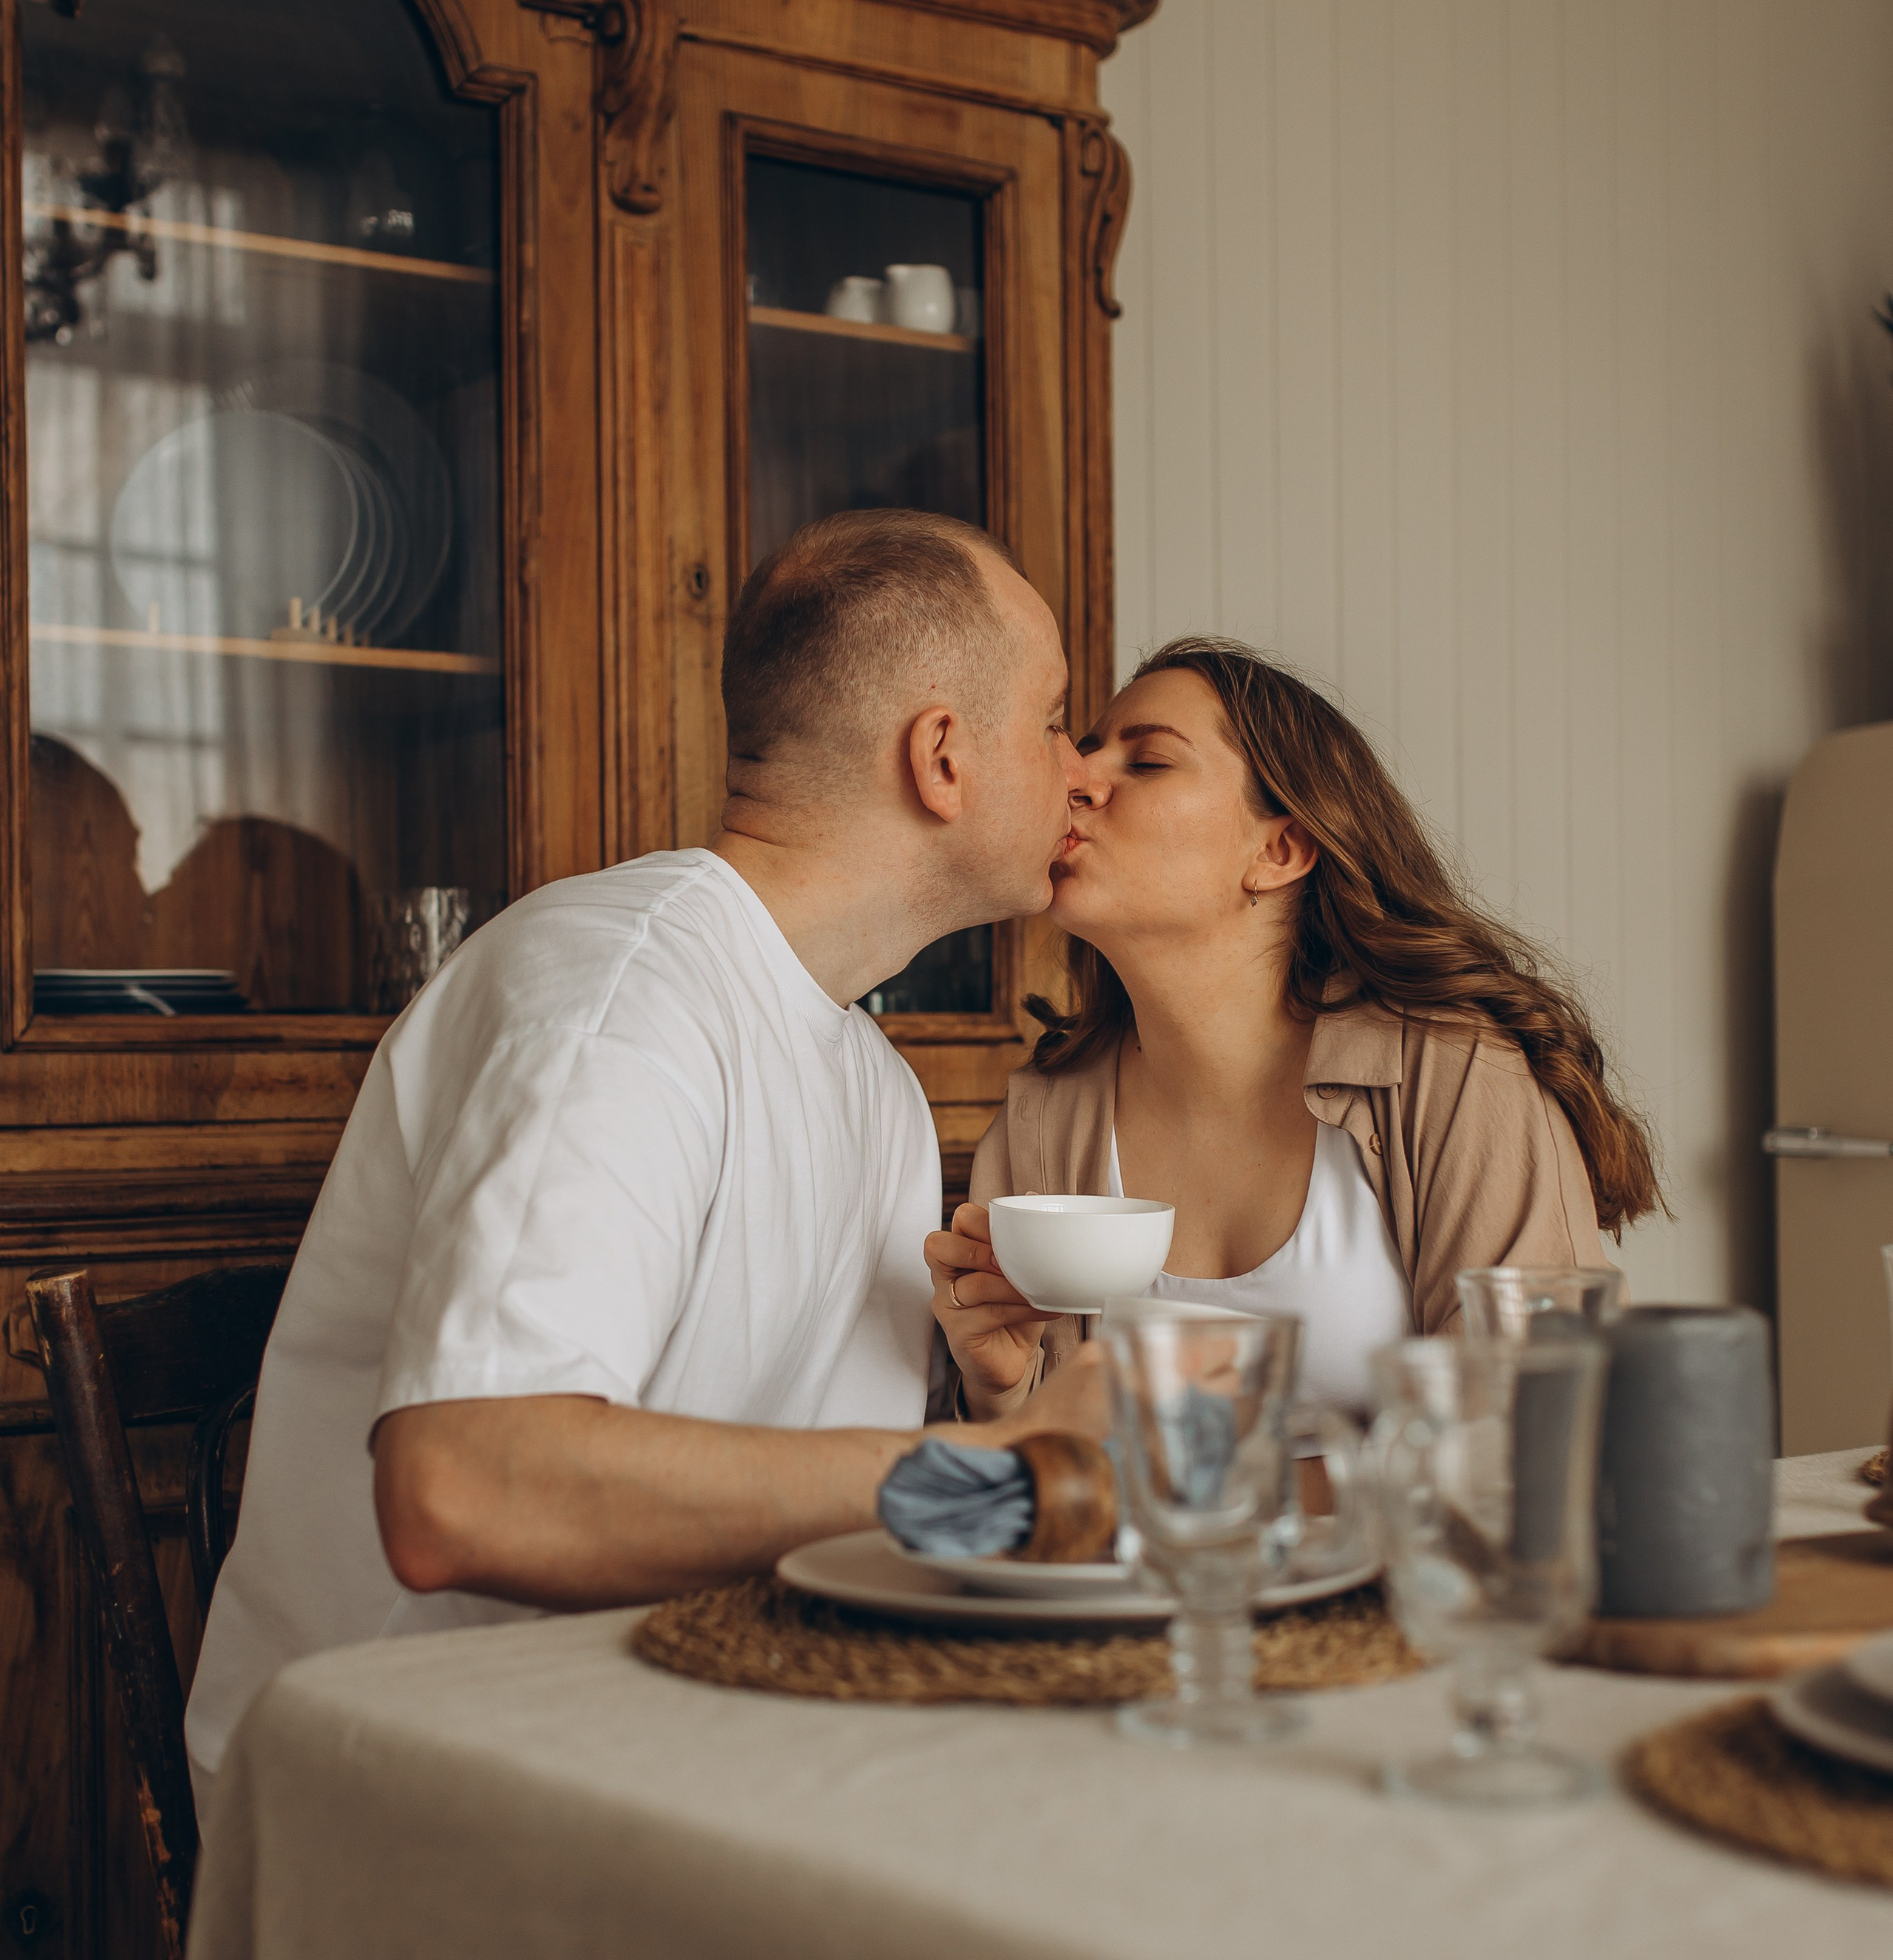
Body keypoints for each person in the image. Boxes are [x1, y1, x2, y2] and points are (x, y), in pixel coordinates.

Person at [186, 509, 1103, 1797]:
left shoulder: (879, 1086)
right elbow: (464, 1491)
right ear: (942, 758)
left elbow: (822, 1518)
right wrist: (996, 1475)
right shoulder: (617, 995)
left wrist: (998, 1415)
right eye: (1055, 721)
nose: (1082, 773)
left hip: (692, 1759)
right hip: (406, 1798)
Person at [928, 636, 1661, 1416]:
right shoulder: (1042, 1120)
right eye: (1084, 749)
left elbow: (1540, 1429)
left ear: (1278, 850)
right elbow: (1033, 1469)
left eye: (1147, 762)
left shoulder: (1455, 1077)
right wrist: (997, 1387)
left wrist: (1236, 1482)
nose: (1076, 778)